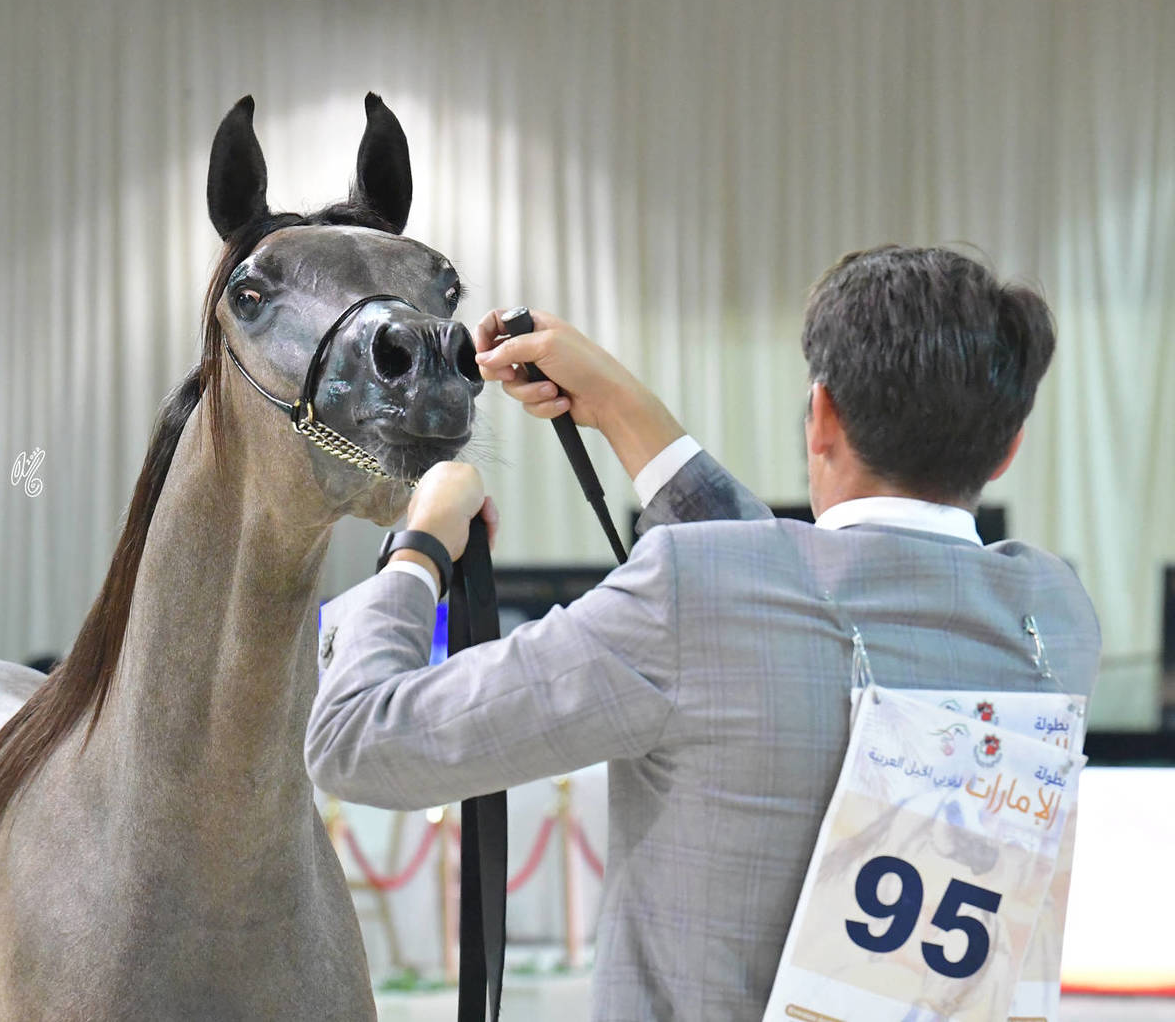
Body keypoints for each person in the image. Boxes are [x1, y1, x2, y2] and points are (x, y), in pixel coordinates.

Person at [305, 245, 1099, 1020]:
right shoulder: (1054, 620)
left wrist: (417, 551)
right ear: (1008, 450)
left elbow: (360, 742)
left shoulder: (696, 599)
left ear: (821, 414)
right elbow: (789, 599)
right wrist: (617, 404)